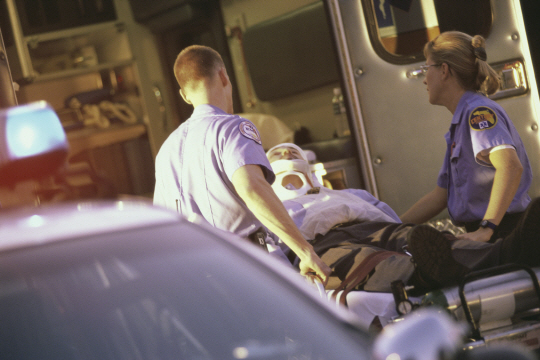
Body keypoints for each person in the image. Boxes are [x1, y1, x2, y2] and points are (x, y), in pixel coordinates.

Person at [153, 45, 330, 284]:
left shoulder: (165, 151)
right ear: (224, 76)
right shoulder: (230, 128)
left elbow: (162, 226)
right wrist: (305, 252)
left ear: (184, 95)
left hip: (197, 279)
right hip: (249, 270)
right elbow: (252, 188)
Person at [265, 143, 540, 293]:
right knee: (369, 261)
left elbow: (389, 217)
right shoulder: (269, 208)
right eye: (277, 153)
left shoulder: (350, 193)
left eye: (292, 150)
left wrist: (406, 233)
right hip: (322, 246)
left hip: (375, 226)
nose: (286, 154)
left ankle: (513, 248)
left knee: (429, 241)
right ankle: (421, 272)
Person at [400, 31, 533, 243]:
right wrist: (392, 227)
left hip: (502, 233)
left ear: (444, 70)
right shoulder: (460, 122)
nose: (424, 79)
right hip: (492, 231)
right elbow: (439, 197)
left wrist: (486, 229)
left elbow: (510, 167)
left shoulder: (478, 112)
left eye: (427, 68)